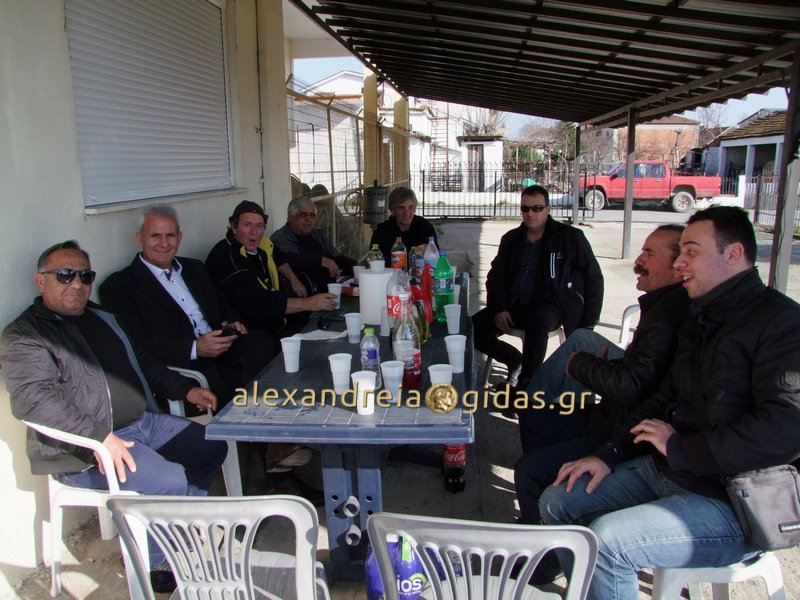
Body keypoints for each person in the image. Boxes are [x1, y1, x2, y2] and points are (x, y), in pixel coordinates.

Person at [539, 206, 800, 600]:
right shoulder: (701, 318)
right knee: (558, 501)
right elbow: (664, 397)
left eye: (691, 252)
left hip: (735, 500)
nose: (679, 263)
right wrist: (608, 454)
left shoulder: (783, 323)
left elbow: (784, 429)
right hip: (672, 472)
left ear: (733, 254)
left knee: (609, 542)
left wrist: (680, 447)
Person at [1, 240, 228, 593]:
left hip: (142, 424)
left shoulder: (102, 317)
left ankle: (178, 524)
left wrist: (184, 390)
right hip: (85, 451)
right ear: (40, 281)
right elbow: (32, 401)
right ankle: (156, 560)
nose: (77, 284)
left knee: (212, 445)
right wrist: (99, 437)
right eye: (65, 275)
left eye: (84, 275)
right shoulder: (26, 335)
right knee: (167, 479)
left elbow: (144, 361)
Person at [514, 225, 692, 532]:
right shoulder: (662, 305)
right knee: (534, 412)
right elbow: (644, 374)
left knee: (528, 469)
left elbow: (633, 387)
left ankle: (545, 541)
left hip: (625, 431)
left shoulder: (669, 316)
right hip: (614, 415)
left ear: (677, 269)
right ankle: (547, 493)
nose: (639, 260)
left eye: (650, 254)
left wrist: (579, 365)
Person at [99, 204, 277, 414]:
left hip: (222, 348)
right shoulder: (120, 286)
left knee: (264, 342)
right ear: (140, 238)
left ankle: (271, 416)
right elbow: (136, 345)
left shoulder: (194, 269)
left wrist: (231, 322)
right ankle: (253, 424)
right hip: (185, 364)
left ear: (180, 237)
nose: (164, 243)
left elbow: (223, 305)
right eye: (155, 236)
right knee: (231, 384)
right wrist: (195, 348)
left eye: (170, 236)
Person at [472, 184, 604, 387]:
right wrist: (500, 307)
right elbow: (496, 276)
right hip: (513, 304)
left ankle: (527, 383)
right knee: (469, 329)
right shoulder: (511, 239)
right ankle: (515, 361)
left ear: (548, 209)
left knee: (538, 322)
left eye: (537, 208)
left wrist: (588, 323)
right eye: (525, 208)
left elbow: (594, 278)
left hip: (550, 306)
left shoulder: (570, 237)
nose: (530, 213)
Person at [205, 200, 337, 336]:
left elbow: (281, 258)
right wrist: (309, 303)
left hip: (278, 318)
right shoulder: (228, 260)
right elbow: (260, 304)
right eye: (247, 225)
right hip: (253, 332)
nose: (254, 232)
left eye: (259, 226)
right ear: (234, 227)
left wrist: (294, 279)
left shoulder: (261, 244)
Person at [271, 197, 357, 293]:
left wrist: (356, 267)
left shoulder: (317, 235)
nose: (308, 219)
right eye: (303, 215)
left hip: (330, 291)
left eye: (312, 215)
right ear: (291, 216)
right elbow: (289, 259)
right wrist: (320, 260)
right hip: (306, 295)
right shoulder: (279, 238)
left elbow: (335, 257)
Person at [369, 186, 438, 266]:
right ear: (393, 209)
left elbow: (436, 256)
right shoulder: (382, 230)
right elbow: (373, 260)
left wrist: (428, 250)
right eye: (401, 208)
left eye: (410, 207)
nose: (406, 213)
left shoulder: (425, 226)